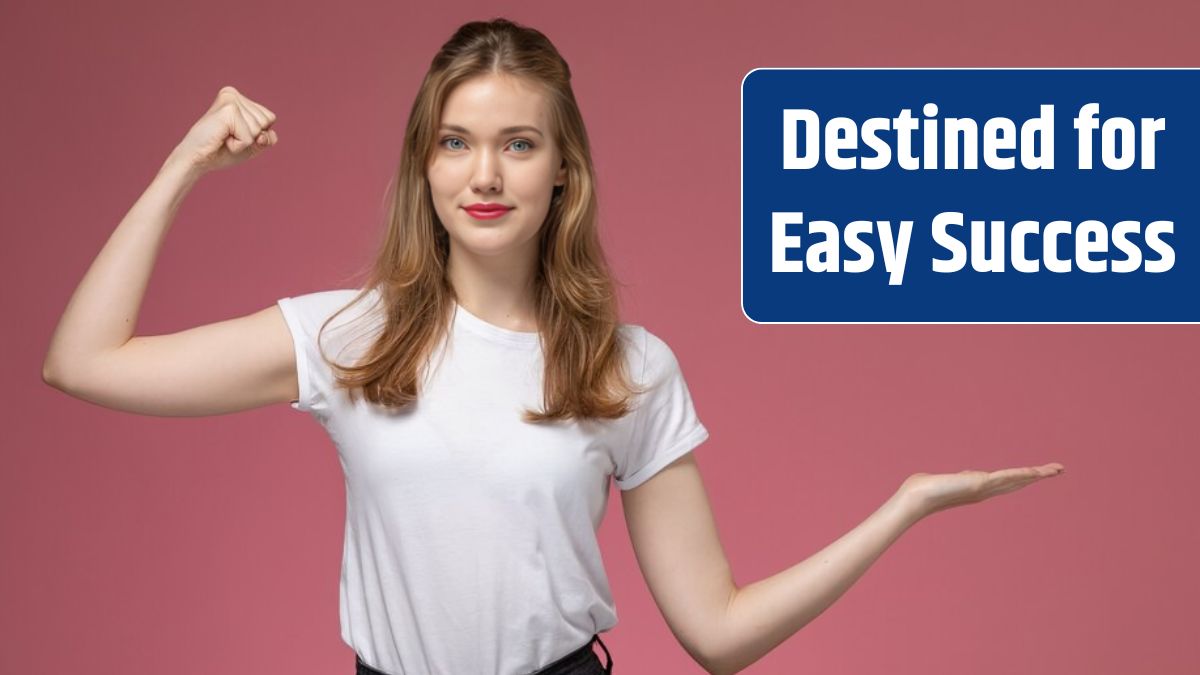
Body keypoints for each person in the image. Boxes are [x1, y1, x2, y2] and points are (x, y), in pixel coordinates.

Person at [41, 17, 1065, 675]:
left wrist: (905, 507)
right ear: (425, 168)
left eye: (518, 143)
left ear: (562, 171)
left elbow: (718, 633)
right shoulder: (346, 336)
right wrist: (185, 162)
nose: (484, 173)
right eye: (455, 142)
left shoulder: (630, 367)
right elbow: (82, 362)